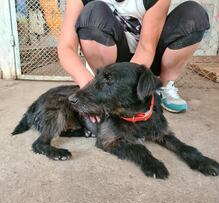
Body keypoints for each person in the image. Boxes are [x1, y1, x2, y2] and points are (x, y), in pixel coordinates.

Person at [58, 0, 210, 116]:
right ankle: (103, 88)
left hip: (147, 61)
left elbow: (146, 47)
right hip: (109, 62)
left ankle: (163, 86)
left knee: (194, 14)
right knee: (93, 11)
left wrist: (129, 85)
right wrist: (87, 84)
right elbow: (66, 48)